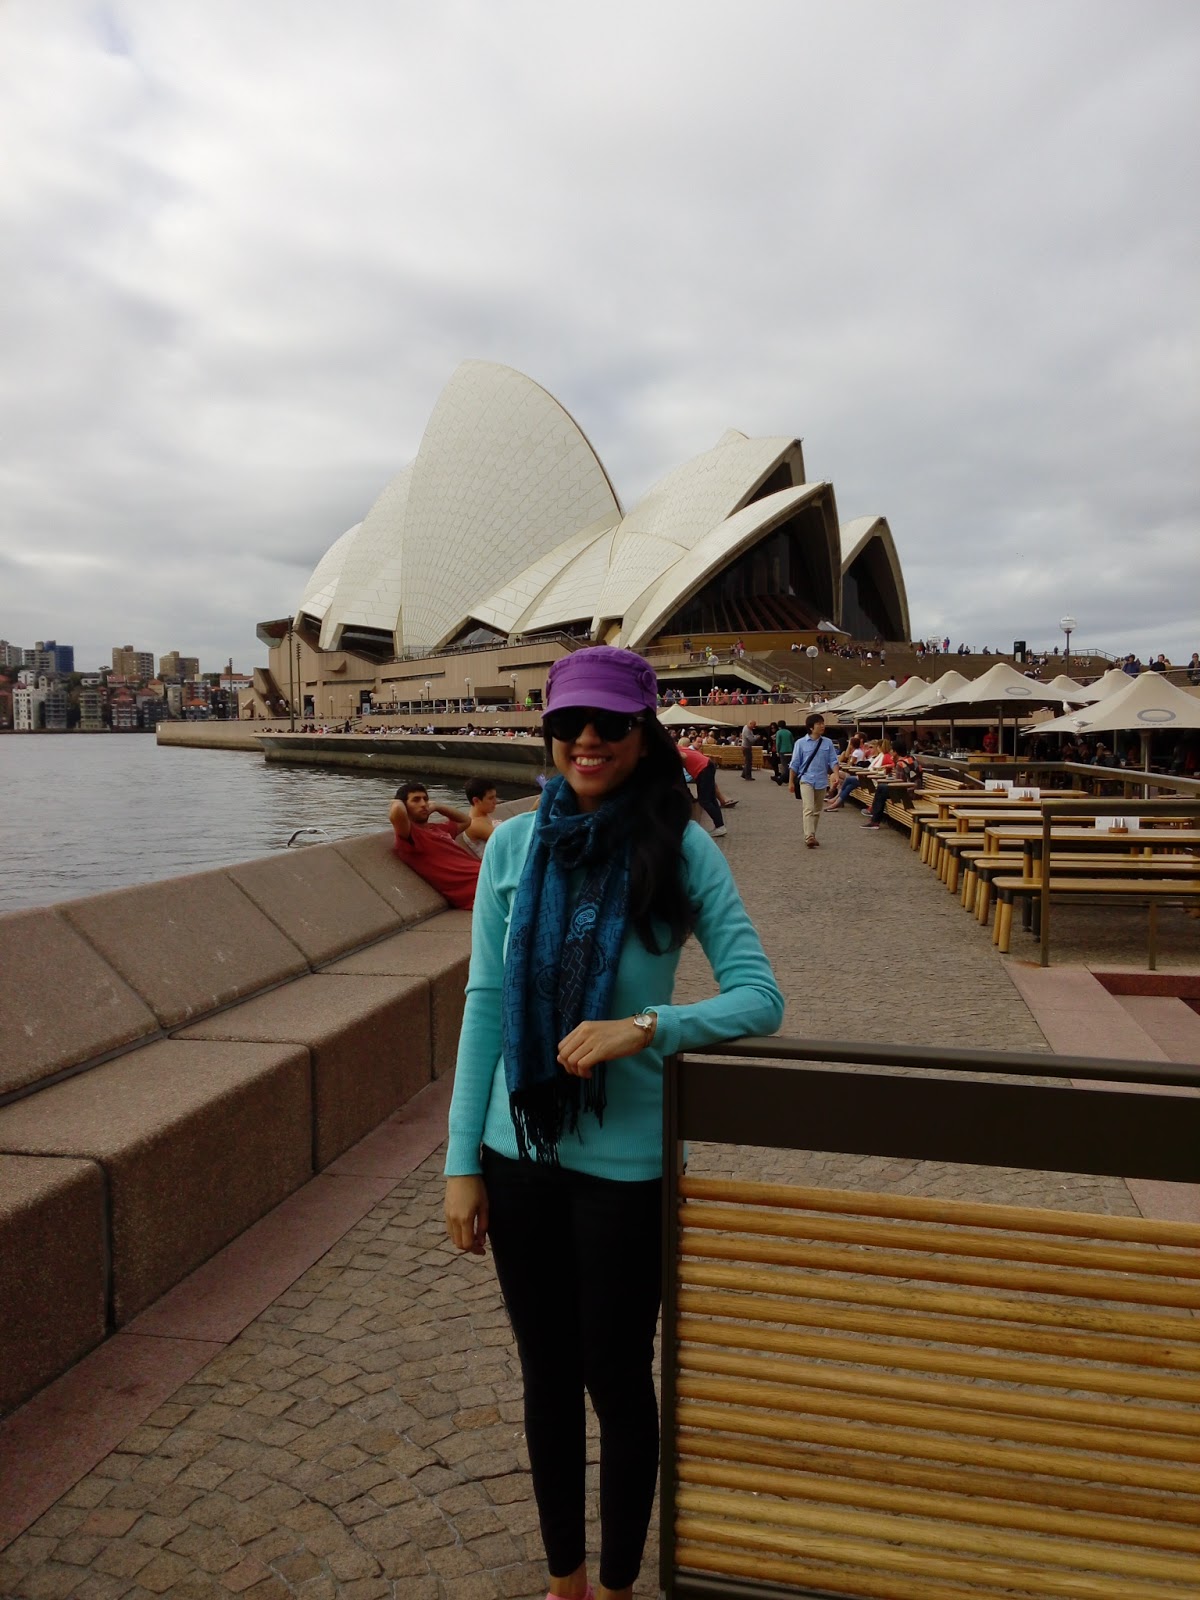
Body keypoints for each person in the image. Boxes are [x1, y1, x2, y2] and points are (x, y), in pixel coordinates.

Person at [443, 646, 783, 1600]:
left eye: (609, 724)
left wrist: (648, 1028)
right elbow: (485, 1003)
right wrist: (460, 1162)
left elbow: (761, 999)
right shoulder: (512, 846)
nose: (586, 740)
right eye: (567, 723)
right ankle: (567, 1581)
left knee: (617, 1383)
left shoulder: (680, 847)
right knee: (545, 1378)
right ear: (545, 731)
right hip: (521, 1154)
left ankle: (624, 1586)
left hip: (626, 1171)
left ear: (644, 733)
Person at [389, 782, 480, 909]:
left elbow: (466, 820)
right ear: (405, 805)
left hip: (485, 874)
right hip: (476, 889)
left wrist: (437, 806)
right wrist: (397, 801)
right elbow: (397, 811)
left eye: (425, 799)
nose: (423, 804)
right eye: (416, 800)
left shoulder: (439, 829)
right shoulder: (410, 836)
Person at [788, 712, 839, 847]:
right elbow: (794, 763)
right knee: (808, 808)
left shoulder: (827, 743)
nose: (822, 726)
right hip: (806, 779)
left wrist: (836, 774)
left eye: (823, 723)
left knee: (816, 810)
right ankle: (809, 836)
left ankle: (812, 834)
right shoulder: (801, 743)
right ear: (811, 727)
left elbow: (833, 760)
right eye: (819, 724)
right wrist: (791, 781)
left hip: (821, 780)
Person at [676, 735, 725, 836]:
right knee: (711, 798)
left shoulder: (671, 749)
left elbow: (683, 757)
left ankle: (720, 826)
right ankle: (720, 826)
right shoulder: (678, 747)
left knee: (705, 800)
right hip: (707, 765)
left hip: (702, 769)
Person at [459, 776, 501, 860]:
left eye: (495, 797)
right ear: (476, 801)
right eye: (490, 798)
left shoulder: (484, 815)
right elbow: (506, 839)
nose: (495, 801)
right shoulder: (474, 824)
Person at [772, 721, 794, 785]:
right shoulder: (789, 732)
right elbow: (792, 741)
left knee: (784, 765)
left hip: (782, 750)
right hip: (790, 750)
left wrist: (777, 751)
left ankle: (783, 779)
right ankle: (788, 778)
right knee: (790, 765)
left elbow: (778, 742)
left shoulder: (779, 732)